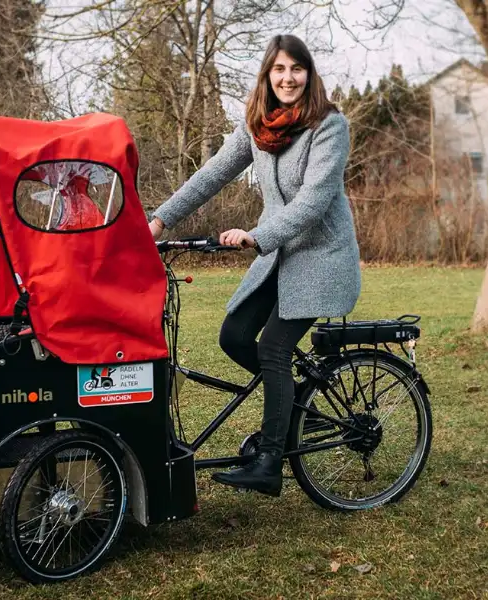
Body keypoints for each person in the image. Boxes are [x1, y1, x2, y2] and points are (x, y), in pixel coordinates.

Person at [148, 34, 361, 497]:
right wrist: (160, 220)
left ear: (309, 74)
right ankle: (297, 402)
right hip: (278, 257)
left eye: (297, 69)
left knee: (273, 349)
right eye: (279, 70)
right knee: (234, 337)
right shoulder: (257, 126)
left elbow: (313, 201)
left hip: (320, 257)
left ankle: (269, 461)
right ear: (267, 74)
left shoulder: (328, 124)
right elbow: (212, 174)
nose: (288, 78)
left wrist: (256, 235)